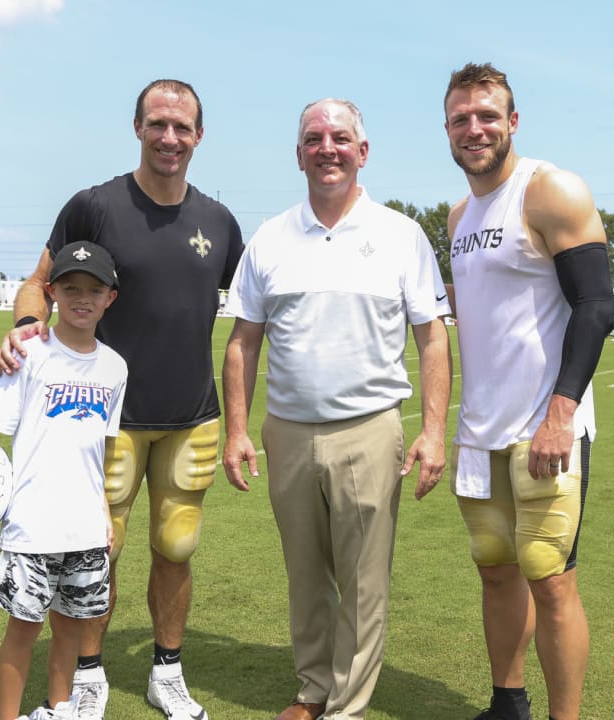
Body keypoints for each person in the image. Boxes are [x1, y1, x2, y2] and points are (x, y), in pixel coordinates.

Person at [0, 79, 244, 720]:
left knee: (177, 547)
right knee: (97, 549)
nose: (170, 138)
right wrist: (26, 328)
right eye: (158, 124)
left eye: (182, 127)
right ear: (137, 127)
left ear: (199, 135)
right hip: (107, 421)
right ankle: (86, 672)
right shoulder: (94, 206)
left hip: (193, 414)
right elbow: (38, 281)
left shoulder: (219, 221)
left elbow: (252, 313)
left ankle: (167, 670)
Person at [221, 98, 451, 720]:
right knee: (306, 575)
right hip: (288, 433)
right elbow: (243, 340)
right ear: (298, 154)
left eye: (340, 137)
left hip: (369, 431)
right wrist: (237, 429)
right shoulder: (270, 237)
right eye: (314, 138)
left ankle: (346, 706)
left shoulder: (401, 235)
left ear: (363, 151)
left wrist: (433, 432)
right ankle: (313, 689)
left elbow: (432, 336)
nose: (328, 148)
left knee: (362, 582)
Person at [442, 62, 614, 720]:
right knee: (495, 568)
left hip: (545, 429)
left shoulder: (551, 190)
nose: (474, 128)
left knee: (549, 577)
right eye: (461, 118)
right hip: (481, 429)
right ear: (448, 130)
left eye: (487, 115)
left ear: (512, 121)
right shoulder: (459, 213)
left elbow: (598, 308)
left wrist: (560, 416)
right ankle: (507, 703)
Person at [0, 242, 127, 720]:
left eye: (94, 289)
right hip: (33, 526)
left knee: (70, 629)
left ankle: (58, 708)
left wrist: (103, 513)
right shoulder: (30, 353)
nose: (82, 298)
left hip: (85, 527)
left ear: (111, 298)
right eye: (70, 288)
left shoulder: (115, 367)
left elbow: (97, 450)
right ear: (51, 293)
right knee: (22, 632)